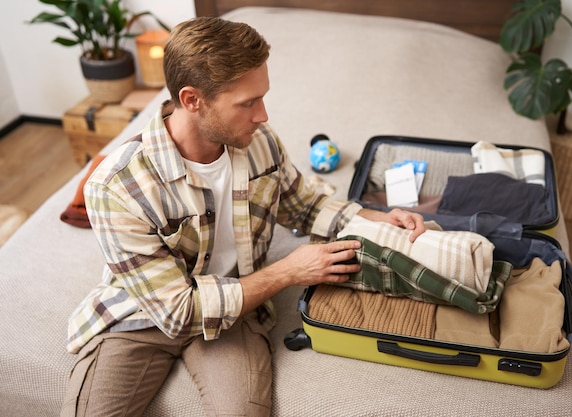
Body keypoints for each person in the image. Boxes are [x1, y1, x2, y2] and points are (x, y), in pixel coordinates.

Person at [61, 16, 425, 417]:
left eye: (262, 97)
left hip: (236, 307)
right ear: (192, 100)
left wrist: (375, 217)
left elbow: (305, 206)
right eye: (248, 102)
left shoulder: (258, 143)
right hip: (143, 314)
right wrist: (288, 272)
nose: (263, 115)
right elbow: (178, 312)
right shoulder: (116, 187)